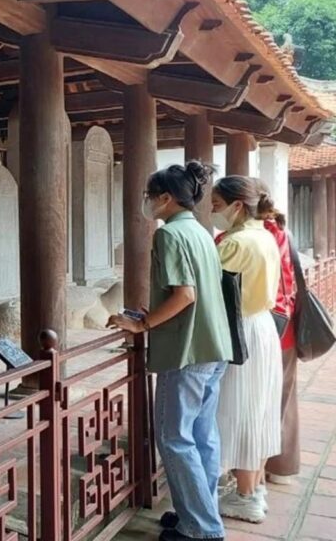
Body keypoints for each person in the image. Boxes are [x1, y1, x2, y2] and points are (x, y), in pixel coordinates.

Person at [110, 162, 231, 541]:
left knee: (175, 438)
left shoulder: (169, 234)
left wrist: (142, 324)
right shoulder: (201, 231)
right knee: (202, 436)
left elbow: (185, 295)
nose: (147, 202)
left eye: (150, 196)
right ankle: (199, 514)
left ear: (165, 198)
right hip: (214, 345)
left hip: (186, 351)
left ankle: (202, 528)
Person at [211, 176, 283, 524]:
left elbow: (209, 291)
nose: (213, 211)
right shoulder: (265, 236)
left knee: (238, 410)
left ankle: (245, 496)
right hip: (262, 326)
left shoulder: (235, 243)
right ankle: (253, 489)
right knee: (258, 409)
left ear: (237, 205)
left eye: (216, 205)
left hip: (240, 330)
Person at [258, 188, 300, 486]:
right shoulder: (283, 232)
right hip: (287, 325)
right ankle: (282, 466)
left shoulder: (257, 236)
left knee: (259, 399)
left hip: (266, 326)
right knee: (284, 398)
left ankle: (254, 468)